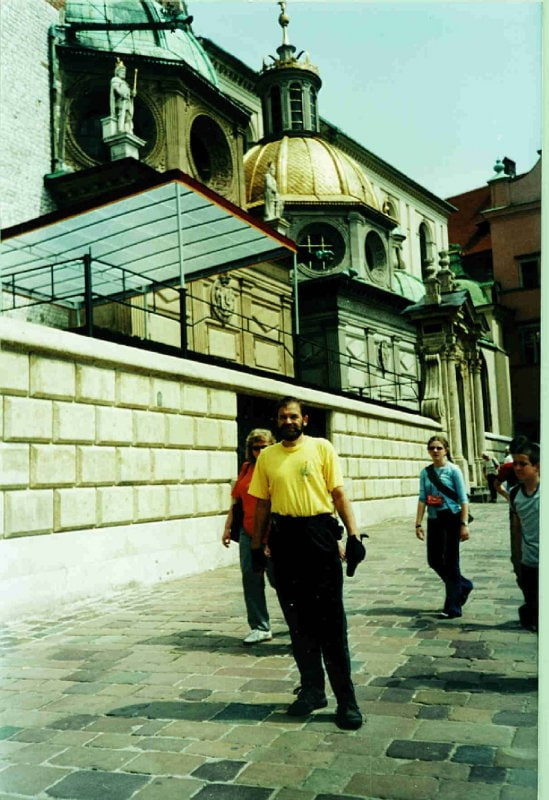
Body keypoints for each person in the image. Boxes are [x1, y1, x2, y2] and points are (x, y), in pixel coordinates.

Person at [248, 397, 363, 730]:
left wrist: (353, 535)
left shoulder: (321, 449)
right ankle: (313, 691)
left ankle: (347, 700)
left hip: (319, 537)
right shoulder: (267, 457)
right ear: (277, 420)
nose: (288, 421)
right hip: (285, 540)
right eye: (283, 416)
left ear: (305, 419)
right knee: (298, 624)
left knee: (330, 623)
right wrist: (257, 546)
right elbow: (262, 506)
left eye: (294, 416)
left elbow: (338, 494)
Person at [222, 428, 276, 644]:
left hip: (272, 532)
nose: (260, 451)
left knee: (278, 579)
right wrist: (227, 528)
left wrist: (269, 539)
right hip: (247, 531)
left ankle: (299, 623)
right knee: (250, 577)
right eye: (256, 448)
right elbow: (236, 502)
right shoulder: (246, 468)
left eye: (265, 447)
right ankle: (260, 626)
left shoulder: (276, 469)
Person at [415, 435, 473, 619]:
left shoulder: (454, 470)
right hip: (434, 520)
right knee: (434, 559)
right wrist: (418, 523)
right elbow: (422, 498)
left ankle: (453, 606)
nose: (435, 451)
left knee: (451, 561)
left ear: (446, 450)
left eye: (439, 448)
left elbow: (463, 500)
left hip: (451, 518)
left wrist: (464, 525)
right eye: (432, 448)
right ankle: (463, 585)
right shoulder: (425, 472)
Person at [509, 441, 539, 632]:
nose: (518, 468)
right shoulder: (515, 494)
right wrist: (516, 559)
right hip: (528, 560)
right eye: (515, 463)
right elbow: (515, 529)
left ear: (537, 466)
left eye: (523, 464)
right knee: (532, 599)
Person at [494, 434, 531, 581]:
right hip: (520, 507)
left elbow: (497, 485)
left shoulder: (509, 467)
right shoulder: (532, 463)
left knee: (518, 545)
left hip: (516, 508)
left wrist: (508, 497)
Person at [110, 59, 135, 134]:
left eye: (124, 72)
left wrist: (132, 93)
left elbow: (129, 92)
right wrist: (122, 94)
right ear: (117, 72)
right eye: (122, 72)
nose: (124, 73)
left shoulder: (125, 83)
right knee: (121, 114)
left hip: (127, 101)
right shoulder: (115, 79)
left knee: (128, 116)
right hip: (121, 101)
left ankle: (128, 130)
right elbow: (116, 88)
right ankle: (120, 128)